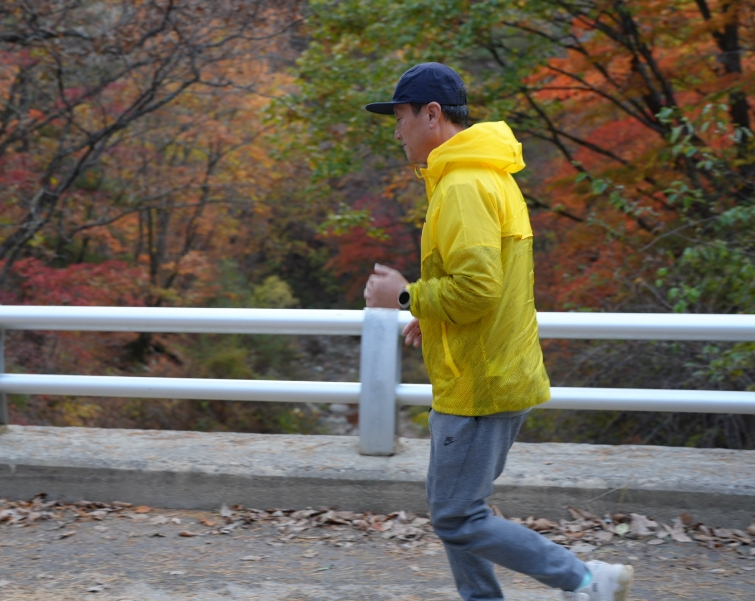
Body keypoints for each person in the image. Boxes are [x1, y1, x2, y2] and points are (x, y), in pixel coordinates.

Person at [362, 62, 634, 601]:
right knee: (455, 509)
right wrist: (431, 313)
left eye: (400, 116)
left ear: (431, 115)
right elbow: (488, 286)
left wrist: (404, 294)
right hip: (484, 371)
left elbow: (479, 289)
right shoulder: (486, 175)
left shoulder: (463, 184)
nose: (396, 130)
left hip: (480, 384)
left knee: (457, 515)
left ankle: (586, 580)